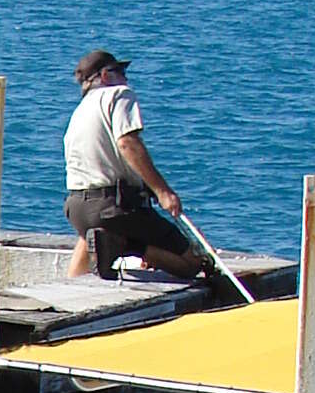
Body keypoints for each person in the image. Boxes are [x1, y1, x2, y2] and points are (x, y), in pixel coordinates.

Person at [63, 50, 210, 281]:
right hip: (112, 206)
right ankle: (125, 246)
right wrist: (163, 192)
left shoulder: (79, 112)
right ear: (104, 76)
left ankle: (70, 286)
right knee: (191, 263)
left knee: (92, 234)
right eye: (120, 71)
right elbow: (127, 143)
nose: (126, 78)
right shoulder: (118, 94)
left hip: (77, 208)